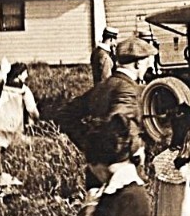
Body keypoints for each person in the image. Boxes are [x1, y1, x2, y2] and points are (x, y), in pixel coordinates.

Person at [59, 35, 158, 178]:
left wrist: (87, 143)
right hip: (122, 168)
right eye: (147, 63)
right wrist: (134, 151)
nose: (148, 67)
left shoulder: (103, 86)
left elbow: (65, 114)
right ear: (138, 64)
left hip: (97, 168)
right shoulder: (128, 89)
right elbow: (118, 124)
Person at [0, 61, 41, 162]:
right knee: (17, 148)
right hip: (14, 124)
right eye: (25, 73)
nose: (27, 76)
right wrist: (37, 119)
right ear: (20, 74)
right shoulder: (24, 90)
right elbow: (32, 109)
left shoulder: (2, 86)